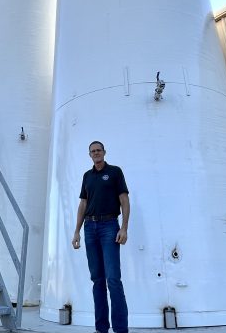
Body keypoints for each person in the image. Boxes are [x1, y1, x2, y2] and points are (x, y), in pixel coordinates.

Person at [72, 141, 129, 333]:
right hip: (90, 228)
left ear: (104, 152)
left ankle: (121, 330)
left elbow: (124, 200)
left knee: (113, 279)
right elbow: (83, 205)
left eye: (98, 150)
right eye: (92, 151)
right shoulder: (87, 176)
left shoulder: (114, 172)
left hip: (109, 226)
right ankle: (101, 328)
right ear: (89, 155)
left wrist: (124, 228)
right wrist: (76, 231)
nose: (96, 153)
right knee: (97, 279)